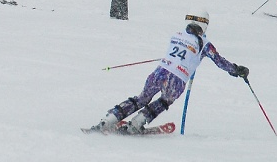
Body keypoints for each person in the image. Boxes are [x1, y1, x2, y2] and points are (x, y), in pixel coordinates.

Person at [89, 11, 249, 134]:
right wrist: (236, 70)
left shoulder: (177, 35)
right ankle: (136, 124)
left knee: (141, 99)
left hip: (160, 71)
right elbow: (219, 61)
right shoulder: (205, 44)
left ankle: (109, 120)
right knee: (164, 101)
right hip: (177, 79)